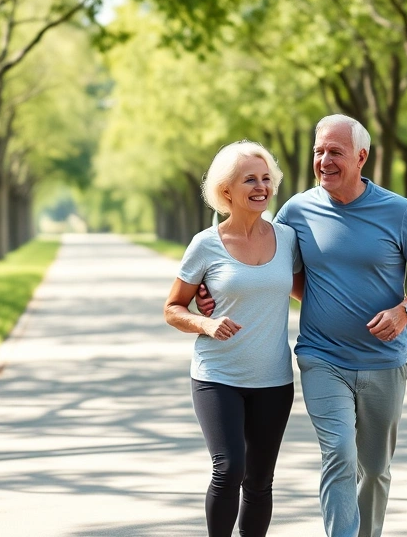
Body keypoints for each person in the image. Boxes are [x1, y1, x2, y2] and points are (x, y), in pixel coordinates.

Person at [198, 114, 407, 537]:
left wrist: (404, 311)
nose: (324, 160)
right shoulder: (297, 210)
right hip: (321, 357)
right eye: (319, 151)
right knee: (339, 454)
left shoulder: (396, 211)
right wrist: (213, 293)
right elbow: (264, 261)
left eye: (335, 151)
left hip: (383, 361)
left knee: (374, 469)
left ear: (361, 157)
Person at [164, 140, 302, 537]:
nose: (261, 187)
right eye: (249, 180)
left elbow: (302, 290)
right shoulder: (205, 245)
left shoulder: (287, 239)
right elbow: (173, 308)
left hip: (273, 379)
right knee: (230, 469)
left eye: (266, 179)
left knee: (260, 480)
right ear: (226, 191)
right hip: (217, 376)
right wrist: (205, 324)